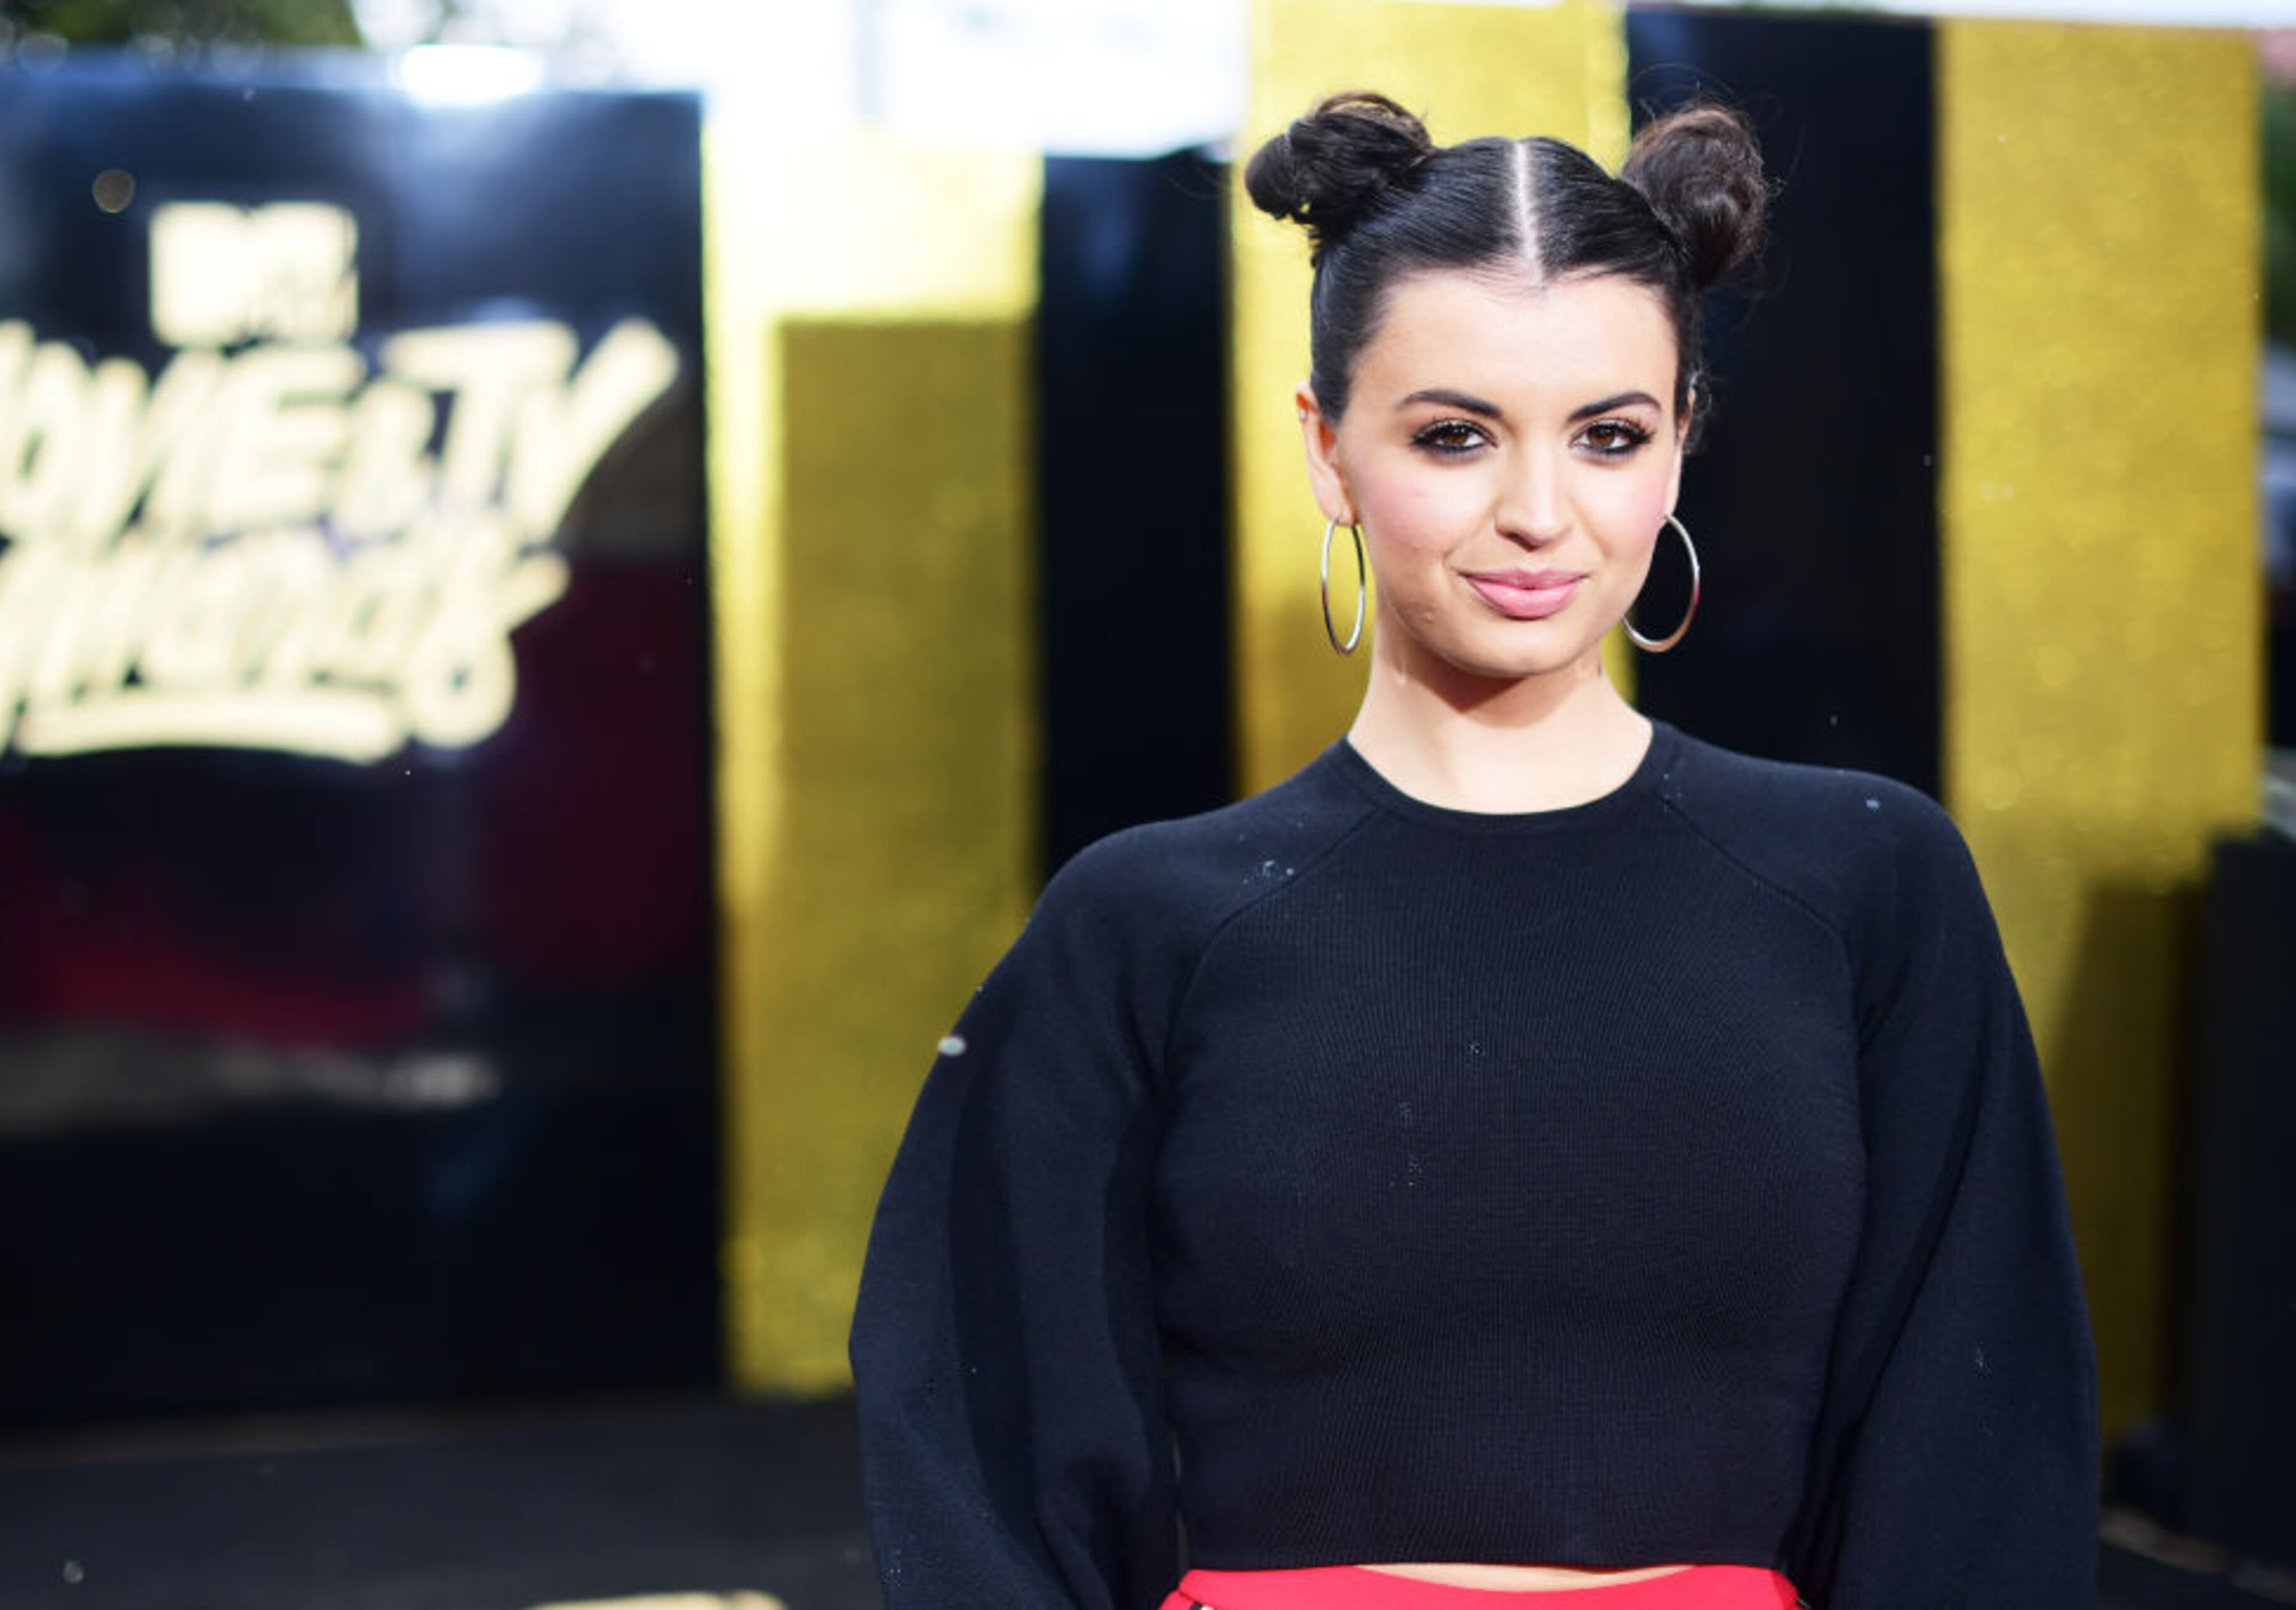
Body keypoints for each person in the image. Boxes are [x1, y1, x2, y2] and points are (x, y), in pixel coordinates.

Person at [849, 91, 2099, 1610]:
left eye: (1608, 435)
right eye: (1456, 436)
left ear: (1681, 447)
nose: (1537, 515)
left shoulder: (1869, 884)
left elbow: (1977, 1458)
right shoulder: (1147, 925)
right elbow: (981, 1456)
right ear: (1326, 450)